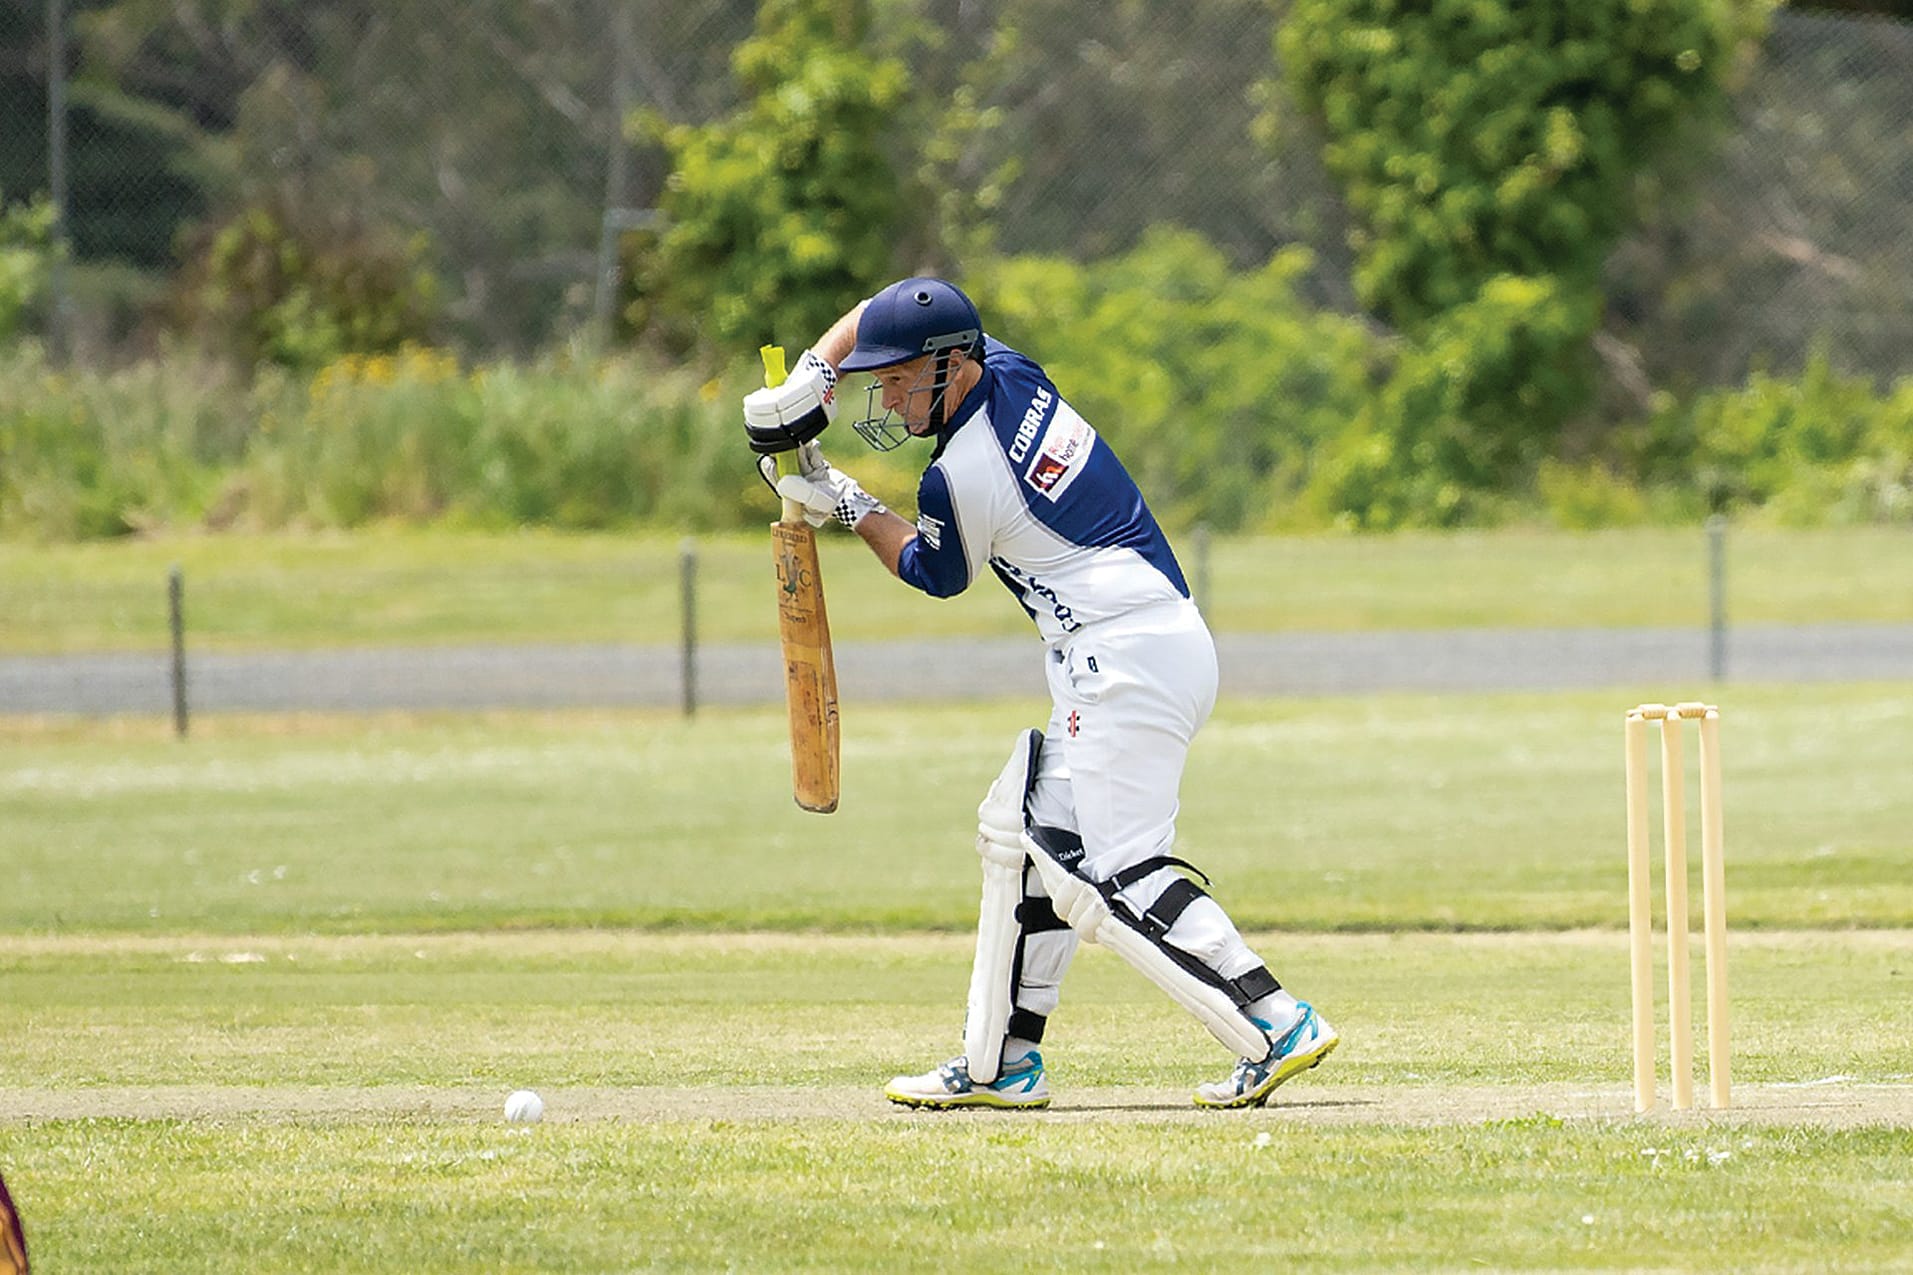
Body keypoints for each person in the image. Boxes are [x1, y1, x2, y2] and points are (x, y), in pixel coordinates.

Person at [741, 277, 1337, 1109]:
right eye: (876, 378)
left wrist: (845, 499)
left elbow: (933, 572)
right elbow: (900, 296)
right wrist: (818, 369)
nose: (888, 393)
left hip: (1122, 659)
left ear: (951, 366)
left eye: (901, 378)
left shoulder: (961, 475)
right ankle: (999, 1063)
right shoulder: (1013, 371)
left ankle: (1274, 1021)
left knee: (1104, 875)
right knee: (1016, 834)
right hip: (1149, 644)